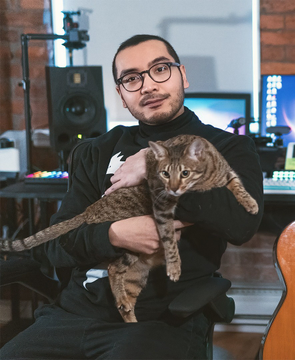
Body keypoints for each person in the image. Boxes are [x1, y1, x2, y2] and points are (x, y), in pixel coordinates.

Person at [0, 34, 264, 359]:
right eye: (132, 78)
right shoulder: (97, 151)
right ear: (121, 95)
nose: (148, 85)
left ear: (183, 75)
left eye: (160, 69)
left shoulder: (226, 147)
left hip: (158, 321)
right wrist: (114, 235)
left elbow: (241, 222)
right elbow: (56, 243)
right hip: (71, 315)